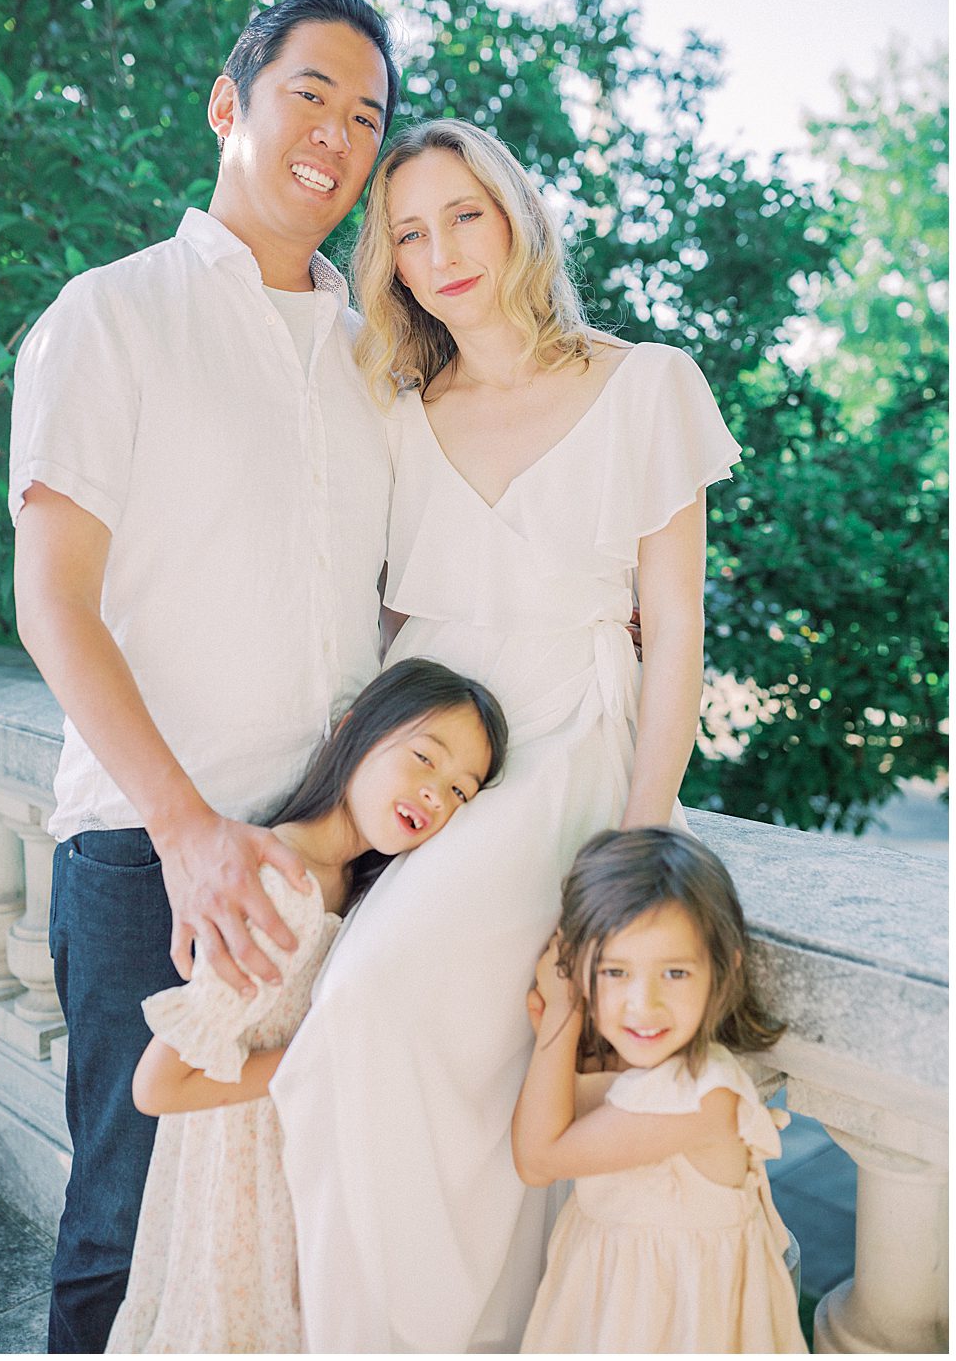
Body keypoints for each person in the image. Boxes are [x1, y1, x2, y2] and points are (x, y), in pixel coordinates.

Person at [271, 118, 744, 1352]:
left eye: (463, 214)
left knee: (374, 1005)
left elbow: (677, 635)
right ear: (395, 267)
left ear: (516, 213)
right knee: (428, 1051)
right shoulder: (394, 405)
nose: (441, 251)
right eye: (410, 234)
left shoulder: (648, 383)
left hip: (570, 749)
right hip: (433, 754)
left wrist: (637, 847)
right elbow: (375, 614)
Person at [8, 0, 400, 1352]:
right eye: (312, 93)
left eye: (368, 117)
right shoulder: (109, 316)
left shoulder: (380, 364)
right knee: (127, 1228)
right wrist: (187, 833)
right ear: (229, 104)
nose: (338, 135)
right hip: (148, 855)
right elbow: (52, 604)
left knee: (297, 1235)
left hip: (340, 859)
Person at [104, 658, 506, 1354]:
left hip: (300, 1168)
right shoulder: (280, 886)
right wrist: (318, 1057)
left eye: (459, 791)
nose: (434, 793)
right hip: (243, 1192)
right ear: (354, 731)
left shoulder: (356, 890)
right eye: (423, 757)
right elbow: (158, 1084)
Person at [513, 827, 807, 1354]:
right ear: (580, 970)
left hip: (678, 1319)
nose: (642, 1003)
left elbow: (539, 1158)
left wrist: (562, 1012)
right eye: (615, 972)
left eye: (674, 972)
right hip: (622, 1298)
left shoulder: (703, 1095)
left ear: (723, 969)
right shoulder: (647, 1075)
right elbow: (573, 1114)